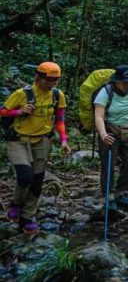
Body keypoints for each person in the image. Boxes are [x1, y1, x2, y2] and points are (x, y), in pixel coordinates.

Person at [0, 62, 70, 235]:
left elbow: (59, 120)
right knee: (25, 176)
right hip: (18, 140)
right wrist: (19, 112)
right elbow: (2, 111)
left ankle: (27, 217)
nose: (51, 84)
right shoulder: (22, 94)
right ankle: (16, 203)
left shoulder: (57, 95)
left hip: (42, 140)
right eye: (48, 80)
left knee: (37, 181)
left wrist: (63, 140)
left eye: (55, 80)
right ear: (38, 78)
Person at [94, 65, 128, 209]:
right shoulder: (106, 92)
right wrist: (103, 134)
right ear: (116, 81)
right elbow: (99, 116)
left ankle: (122, 192)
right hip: (110, 132)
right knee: (109, 165)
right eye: (125, 82)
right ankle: (109, 195)